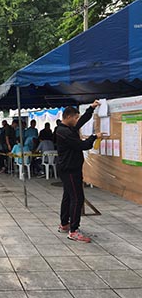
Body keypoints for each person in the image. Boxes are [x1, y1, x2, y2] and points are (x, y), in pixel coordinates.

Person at [57, 101, 103, 243]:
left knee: (68, 196)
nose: (77, 120)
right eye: (76, 118)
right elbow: (82, 145)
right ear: (69, 117)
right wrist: (94, 136)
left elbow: (81, 121)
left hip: (67, 168)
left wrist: (91, 108)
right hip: (70, 170)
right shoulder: (64, 133)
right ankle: (73, 231)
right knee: (77, 198)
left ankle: (65, 224)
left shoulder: (66, 128)